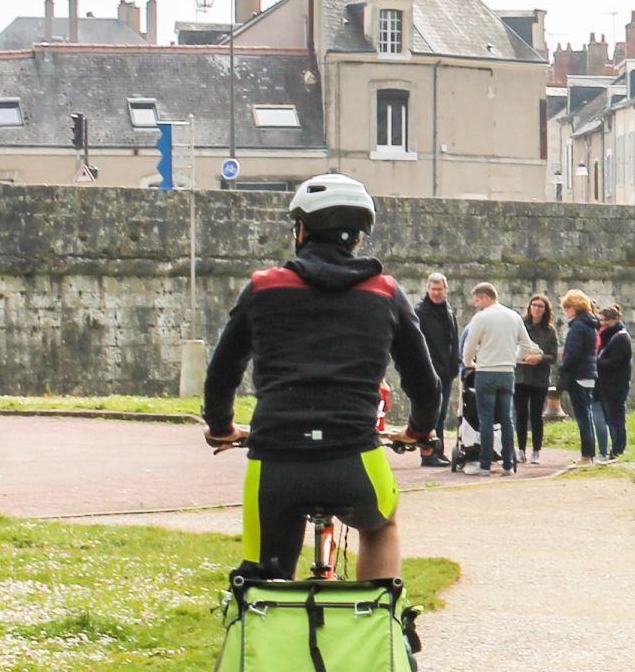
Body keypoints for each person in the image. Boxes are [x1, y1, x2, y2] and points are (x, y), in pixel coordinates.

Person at [200, 174, 439, 581]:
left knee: (264, 579)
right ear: (358, 239)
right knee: (381, 525)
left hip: (276, 459)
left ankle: (268, 620)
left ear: (301, 230)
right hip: (353, 457)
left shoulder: (263, 287)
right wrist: (418, 431)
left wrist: (221, 426)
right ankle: (378, 618)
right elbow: (423, 380)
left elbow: (222, 373)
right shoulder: (385, 292)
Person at [458, 281, 541, 474]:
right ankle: (508, 465)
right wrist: (514, 357)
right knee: (506, 419)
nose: (476, 304)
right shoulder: (513, 316)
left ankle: (485, 464)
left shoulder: (481, 318)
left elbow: (469, 346)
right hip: (507, 372)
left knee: (486, 419)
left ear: (485, 297)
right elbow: (527, 345)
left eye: (477, 300)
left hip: (486, 371)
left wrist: (469, 362)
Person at [413, 271, 459, 465]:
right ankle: (427, 454)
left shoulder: (448, 311)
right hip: (427, 370)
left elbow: (454, 340)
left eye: (439, 289)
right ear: (427, 289)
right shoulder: (419, 312)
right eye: (433, 289)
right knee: (428, 414)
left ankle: (437, 450)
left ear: (446, 290)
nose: (436, 293)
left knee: (440, 414)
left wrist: (454, 365)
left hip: (445, 370)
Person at [559, 290, 603, 461]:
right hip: (589, 374)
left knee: (583, 417)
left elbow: (574, 354)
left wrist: (563, 366)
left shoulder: (577, 326)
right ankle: (589, 454)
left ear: (574, 307)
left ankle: (587, 455)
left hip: (578, 375)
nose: (566, 312)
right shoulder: (590, 325)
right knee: (587, 415)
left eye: (567, 308)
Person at [515, 293, 558, 458]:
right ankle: (520, 449)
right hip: (521, 375)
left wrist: (540, 358)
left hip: (539, 378)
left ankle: (536, 450)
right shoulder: (521, 325)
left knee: (536, 415)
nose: (536, 309)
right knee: (520, 414)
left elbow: (553, 356)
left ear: (545, 309)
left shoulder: (549, 331)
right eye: (534, 305)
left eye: (540, 306)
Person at [595, 303, 632, 459]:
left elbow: (615, 362)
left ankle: (618, 449)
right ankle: (615, 449)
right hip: (607, 385)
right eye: (602, 320)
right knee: (611, 419)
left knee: (617, 419)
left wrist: (595, 361)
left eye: (606, 321)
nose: (603, 324)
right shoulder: (611, 336)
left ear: (616, 319)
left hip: (616, 385)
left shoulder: (621, 338)